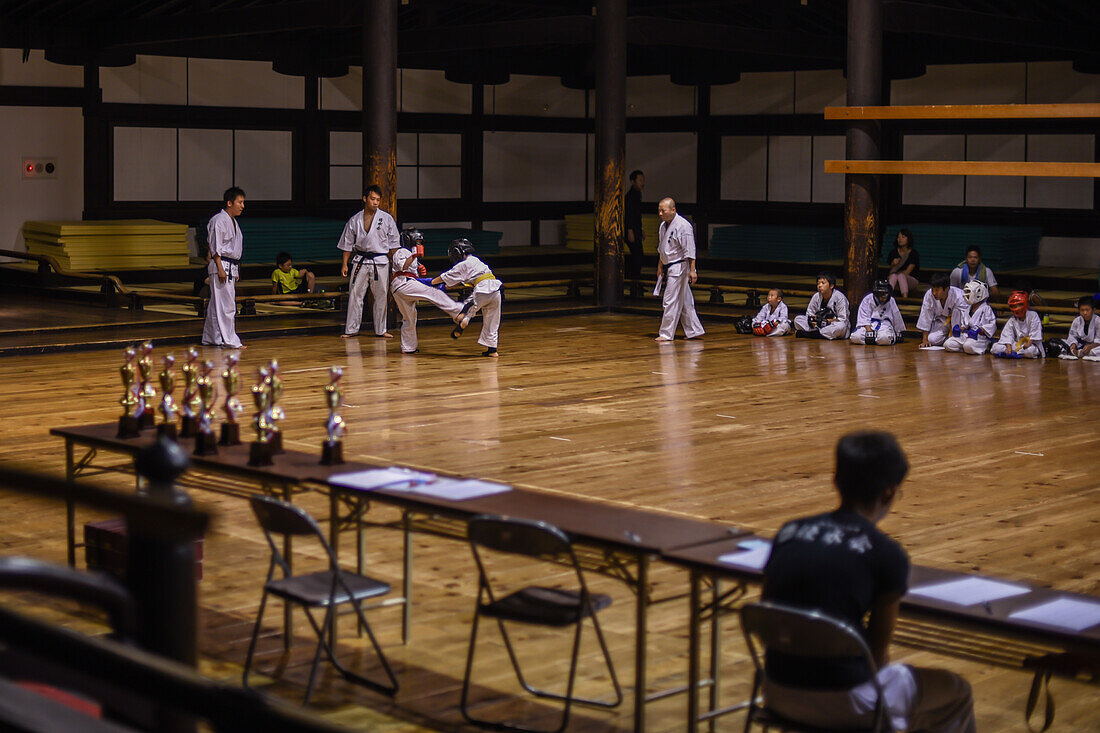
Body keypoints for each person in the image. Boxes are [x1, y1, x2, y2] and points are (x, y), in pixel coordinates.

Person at [762, 431, 977, 733]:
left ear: (836, 480)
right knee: (956, 691)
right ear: (889, 493)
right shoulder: (885, 554)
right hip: (844, 702)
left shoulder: (787, 533)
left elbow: (770, 613)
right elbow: (877, 655)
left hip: (775, 690)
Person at [389, 229, 464, 354]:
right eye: (417, 241)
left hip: (401, 287)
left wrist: (419, 270)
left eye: (420, 242)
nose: (418, 244)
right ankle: (458, 312)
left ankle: (408, 348)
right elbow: (402, 267)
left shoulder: (411, 255)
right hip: (403, 283)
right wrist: (414, 255)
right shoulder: (401, 251)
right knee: (433, 293)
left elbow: (411, 270)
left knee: (409, 318)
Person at [338, 185, 398, 338]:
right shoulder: (355, 219)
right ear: (365, 199)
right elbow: (347, 243)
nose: (375, 202)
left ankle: (381, 330)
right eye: (372, 199)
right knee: (355, 295)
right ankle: (351, 329)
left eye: (378, 200)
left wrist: (396, 265)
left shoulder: (386, 218)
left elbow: (394, 244)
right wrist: (345, 263)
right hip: (360, 261)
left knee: (381, 296)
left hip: (381, 262)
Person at [432, 238, 503, 357]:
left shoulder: (463, 264)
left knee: (466, 310)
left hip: (482, 289)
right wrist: (445, 286)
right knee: (492, 321)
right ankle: (492, 350)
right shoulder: (476, 260)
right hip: (496, 290)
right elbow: (456, 281)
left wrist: (431, 282)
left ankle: (465, 319)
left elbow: (446, 277)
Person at [201, 186, 246, 350]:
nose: (242, 206)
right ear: (229, 203)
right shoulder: (218, 220)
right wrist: (220, 267)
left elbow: (234, 250)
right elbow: (215, 246)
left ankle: (211, 337)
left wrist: (235, 270)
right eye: (240, 202)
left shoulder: (233, 222)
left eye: (243, 202)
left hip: (230, 265)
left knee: (216, 305)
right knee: (227, 306)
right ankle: (231, 340)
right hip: (221, 264)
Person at [655, 197, 704, 343]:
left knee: (670, 300)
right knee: (685, 301)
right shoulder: (663, 226)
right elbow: (662, 249)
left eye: (663, 211)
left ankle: (666, 332)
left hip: (680, 266)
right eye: (659, 210)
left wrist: (693, 270)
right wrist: (659, 267)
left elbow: (690, 249)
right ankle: (694, 330)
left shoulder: (683, 225)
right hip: (669, 264)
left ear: (673, 210)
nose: (660, 213)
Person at [943, 281, 997, 355]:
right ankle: (965, 348)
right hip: (967, 335)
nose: (966, 295)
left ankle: (975, 347)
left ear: (978, 294)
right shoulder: (968, 308)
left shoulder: (986, 309)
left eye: (969, 292)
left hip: (980, 337)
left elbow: (992, 325)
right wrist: (959, 329)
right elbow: (965, 325)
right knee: (948, 344)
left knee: (968, 346)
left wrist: (980, 329)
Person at [794, 272, 850, 340]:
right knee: (798, 319)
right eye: (818, 283)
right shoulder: (816, 296)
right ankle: (817, 334)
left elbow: (843, 319)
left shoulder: (840, 297)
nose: (819, 286)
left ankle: (810, 334)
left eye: (823, 283)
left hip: (831, 325)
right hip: (818, 325)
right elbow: (809, 313)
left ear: (831, 286)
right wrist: (812, 320)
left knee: (841, 326)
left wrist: (826, 321)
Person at [916, 273, 966, 348]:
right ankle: (948, 340)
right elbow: (926, 315)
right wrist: (925, 340)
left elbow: (965, 317)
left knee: (957, 311)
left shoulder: (959, 296)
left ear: (946, 289)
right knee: (932, 339)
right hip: (942, 322)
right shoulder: (929, 295)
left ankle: (954, 339)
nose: (934, 293)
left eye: (937, 290)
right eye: (932, 289)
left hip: (958, 325)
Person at [850, 280, 905, 346]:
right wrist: (869, 331)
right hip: (869, 324)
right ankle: (875, 339)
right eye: (881, 295)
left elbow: (896, 316)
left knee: (884, 339)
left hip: (884, 325)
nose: (883, 297)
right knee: (856, 337)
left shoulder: (891, 300)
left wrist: (898, 331)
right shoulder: (867, 299)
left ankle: (878, 339)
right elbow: (864, 317)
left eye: (885, 294)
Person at [991, 291, 1044, 358]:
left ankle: (1016, 353)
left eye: (1019, 305)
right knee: (995, 347)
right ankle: (1014, 353)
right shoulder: (1012, 320)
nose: (1017, 308)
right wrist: (1009, 347)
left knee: (1030, 351)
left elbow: (1035, 332)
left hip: (1030, 345)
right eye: (1014, 306)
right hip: (1017, 345)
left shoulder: (1033, 315)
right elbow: (1007, 335)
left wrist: (1028, 343)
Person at [1049, 295, 1100, 361]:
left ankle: (1084, 353)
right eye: (1082, 310)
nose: (1085, 313)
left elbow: (1098, 340)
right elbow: (1072, 336)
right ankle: (1079, 352)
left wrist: (1090, 347)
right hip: (1080, 345)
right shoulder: (1077, 320)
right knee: (1062, 344)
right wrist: (1073, 345)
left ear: (1093, 310)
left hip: (1094, 346)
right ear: (1079, 311)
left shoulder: (1098, 321)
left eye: (1087, 310)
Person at [624, 170, 645, 297]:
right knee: (637, 256)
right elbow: (629, 214)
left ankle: (635, 283)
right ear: (633, 182)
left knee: (639, 256)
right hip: (631, 229)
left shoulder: (637, 194)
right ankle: (633, 282)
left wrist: (641, 229)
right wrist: (629, 230)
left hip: (636, 228)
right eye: (640, 180)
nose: (642, 183)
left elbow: (637, 215)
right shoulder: (631, 195)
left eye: (643, 180)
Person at [886, 229, 920, 298]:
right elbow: (891, 270)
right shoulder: (893, 252)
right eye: (899, 237)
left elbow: (908, 271)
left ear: (908, 239)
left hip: (910, 281)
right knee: (893, 276)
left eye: (903, 237)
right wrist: (893, 263)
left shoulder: (913, 253)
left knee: (901, 276)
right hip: (895, 280)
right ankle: (888, 297)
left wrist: (897, 274)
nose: (900, 239)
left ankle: (905, 298)